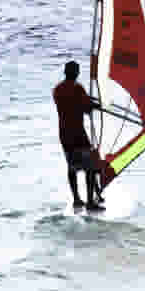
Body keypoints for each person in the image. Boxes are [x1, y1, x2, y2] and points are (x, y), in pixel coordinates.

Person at [52, 60, 104, 210]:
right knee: (91, 167)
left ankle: (76, 199)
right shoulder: (77, 88)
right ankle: (90, 202)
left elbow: (78, 103)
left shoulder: (57, 90)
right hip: (78, 135)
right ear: (76, 73)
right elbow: (86, 107)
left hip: (64, 135)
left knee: (72, 167)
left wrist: (90, 102)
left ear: (65, 72)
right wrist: (96, 105)